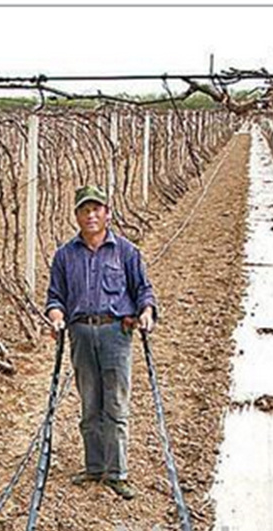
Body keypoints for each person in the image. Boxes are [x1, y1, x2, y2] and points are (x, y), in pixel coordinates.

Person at [45, 184, 157, 501]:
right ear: (77, 216)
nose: (91, 215)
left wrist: (146, 312)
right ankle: (94, 467)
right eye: (84, 210)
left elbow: (143, 291)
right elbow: (56, 297)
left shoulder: (126, 252)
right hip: (81, 333)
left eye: (96, 209)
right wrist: (56, 317)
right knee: (89, 403)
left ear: (107, 213)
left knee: (116, 403)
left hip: (116, 334)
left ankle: (117, 473)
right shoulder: (65, 256)